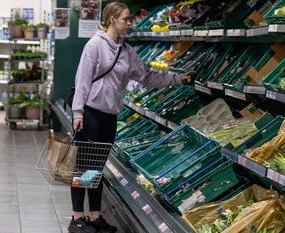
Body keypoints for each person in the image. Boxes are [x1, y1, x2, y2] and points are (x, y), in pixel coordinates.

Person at [69, 2, 194, 233]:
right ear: (112, 19)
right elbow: (82, 81)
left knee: (96, 169)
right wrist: (78, 113)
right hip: (90, 114)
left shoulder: (126, 51)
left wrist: (178, 79)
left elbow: (147, 77)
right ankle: (77, 218)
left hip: (110, 116)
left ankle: (95, 217)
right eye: (125, 19)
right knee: (83, 167)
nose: (129, 23)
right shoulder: (95, 45)